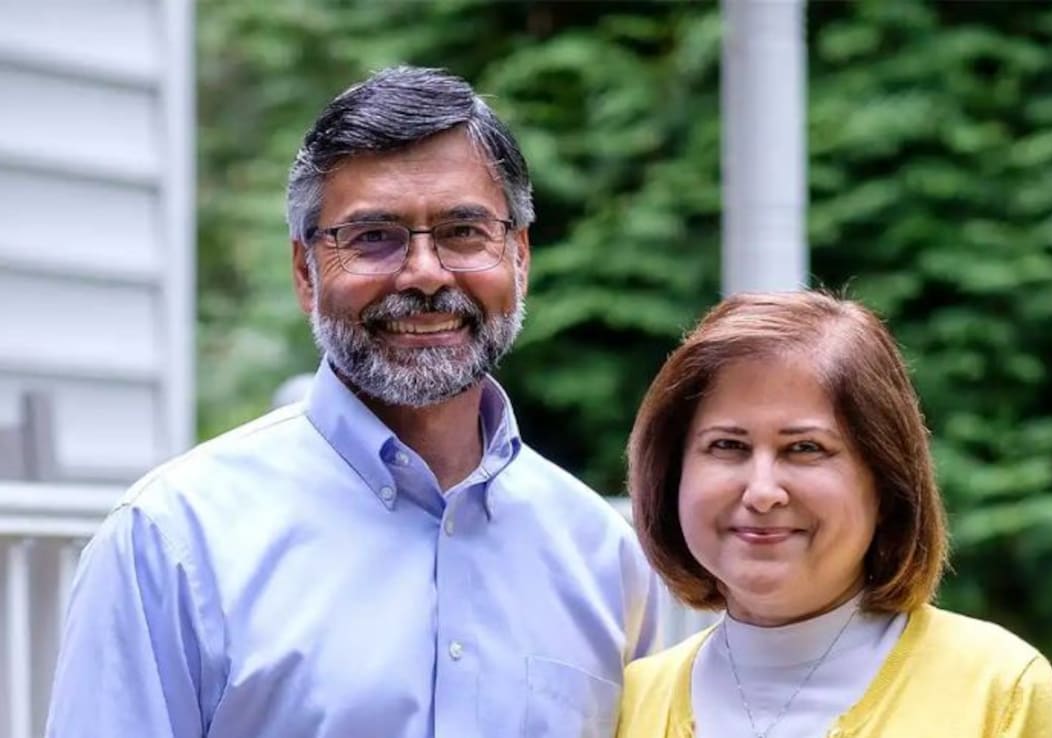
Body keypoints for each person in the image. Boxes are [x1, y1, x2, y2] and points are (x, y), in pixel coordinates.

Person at [46, 66, 658, 738]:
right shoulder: (171, 544)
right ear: (305, 273)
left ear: (519, 258)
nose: (424, 273)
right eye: (373, 237)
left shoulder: (603, 560)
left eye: (463, 231)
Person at [618, 291, 1052, 738]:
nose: (762, 492)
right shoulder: (628, 702)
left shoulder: (998, 692)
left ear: (885, 479)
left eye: (805, 448)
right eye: (727, 445)